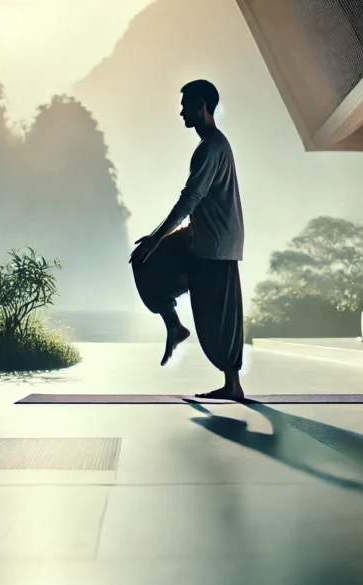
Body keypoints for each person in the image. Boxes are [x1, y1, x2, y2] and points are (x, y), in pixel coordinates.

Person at [129, 79, 245, 400]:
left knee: (219, 317)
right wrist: (155, 242)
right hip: (198, 238)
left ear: (202, 106)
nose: (181, 111)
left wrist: (156, 237)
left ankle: (232, 384)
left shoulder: (212, 148)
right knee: (144, 261)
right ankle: (175, 326)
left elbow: (189, 199)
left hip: (216, 246)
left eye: (186, 104)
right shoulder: (210, 146)